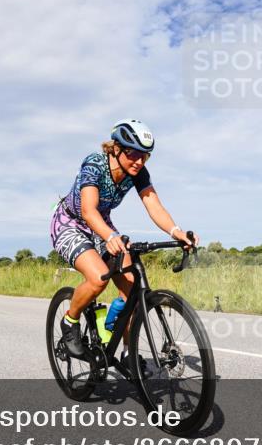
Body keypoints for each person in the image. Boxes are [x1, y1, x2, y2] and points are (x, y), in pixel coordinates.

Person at [50, 119, 198, 368]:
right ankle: (70, 321)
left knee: (132, 287)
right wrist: (109, 237)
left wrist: (176, 231)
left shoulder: (138, 172)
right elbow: (88, 210)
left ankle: (127, 352)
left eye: (145, 156)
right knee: (98, 278)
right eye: (134, 154)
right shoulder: (94, 164)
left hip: (102, 225)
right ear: (116, 148)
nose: (139, 161)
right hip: (71, 222)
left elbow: (153, 204)